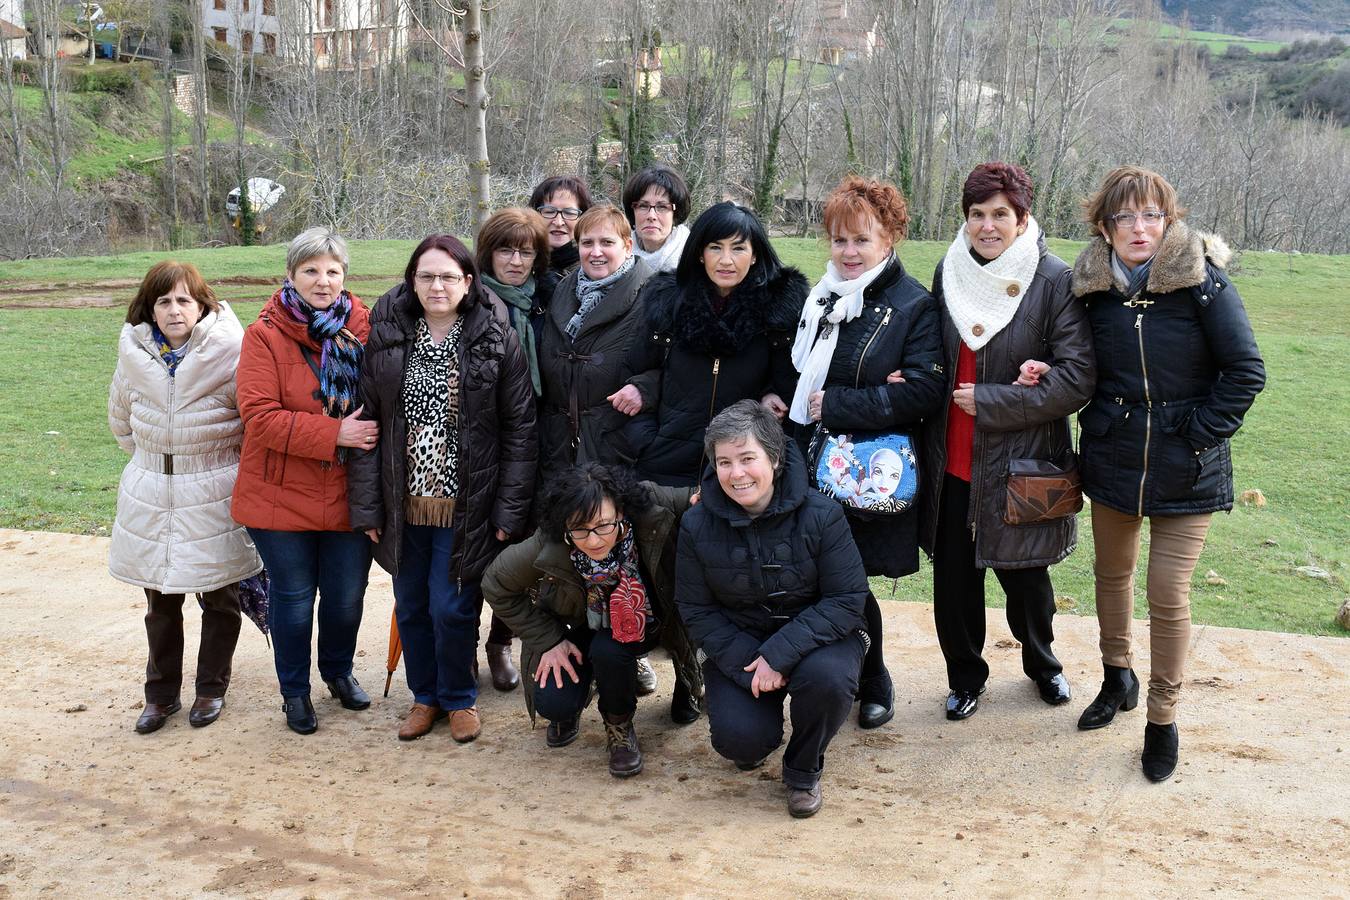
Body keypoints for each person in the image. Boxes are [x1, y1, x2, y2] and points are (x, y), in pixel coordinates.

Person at [1071, 165, 1264, 782]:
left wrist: (1198, 434)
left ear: (1169, 220)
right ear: (1104, 226)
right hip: (1114, 459)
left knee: (1168, 595)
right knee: (1111, 575)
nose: (1138, 227)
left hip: (1188, 469)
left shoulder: (1204, 285)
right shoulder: (1089, 289)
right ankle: (1116, 677)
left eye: (1151, 214)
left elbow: (1245, 371)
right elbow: (1070, 361)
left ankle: (1161, 717)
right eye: (1124, 216)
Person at [918, 162, 1096, 722]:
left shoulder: (1053, 283)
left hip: (1021, 464)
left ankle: (1043, 666)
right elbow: (929, 354)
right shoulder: (947, 275)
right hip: (951, 461)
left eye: (1000, 215)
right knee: (954, 584)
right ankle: (965, 678)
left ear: (1023, 219)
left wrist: (993, 400)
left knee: (1027, 583)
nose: (987, 226)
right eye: (977, 215)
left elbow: (1077, 378)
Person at [347, 234, 537, 743]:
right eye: (427, 276)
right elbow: (369, 424)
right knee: (411, 606)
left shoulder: (496, 337)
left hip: (468, 501)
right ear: (412, 281)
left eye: (449, 276)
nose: (437, 285)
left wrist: (508, 510)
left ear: (468, 282)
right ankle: (424, 696)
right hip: (400, 499)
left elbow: (520, 428)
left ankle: (458, 698)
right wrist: (367, 508)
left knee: (451, 607)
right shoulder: (388, 336)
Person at [788, 175, 944, 729]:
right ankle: (833, 673)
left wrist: (839, 405)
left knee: (847, 579)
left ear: (890, 239)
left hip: (866, 472)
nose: (849, 252)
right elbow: (800, 380)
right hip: (810, 462)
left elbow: (925, 389)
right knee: (819, 577)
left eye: (862, 240)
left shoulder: (912, 306)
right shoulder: (822, 299)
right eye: (839, 240)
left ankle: (873, 675)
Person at [677, 401, 869, 818]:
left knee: (827, 681)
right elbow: (695, 608)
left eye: (748, 459)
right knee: (739, 742)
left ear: (776, 458)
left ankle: (803, 769)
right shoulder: (695, 525)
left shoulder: (823, 515)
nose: (736, 473)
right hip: (741, 645)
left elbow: (847, 599)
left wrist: (779, 655)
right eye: (724, 462)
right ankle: (758, 733)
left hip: (819, 639)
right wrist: (755, 662)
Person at [232, 227, 376, 736]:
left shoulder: (365, 328)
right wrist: (337, 431)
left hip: (345, 494)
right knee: (293, 599)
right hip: (278, 495)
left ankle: (337, 672)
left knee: (345, 596)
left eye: (333, 270)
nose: (323, 280)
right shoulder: (264, 335)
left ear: (345, 276)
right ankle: (294, 692)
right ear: (291, 275)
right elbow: (259, 417)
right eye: (311, 270)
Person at [109, 261, 262, 734]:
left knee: (219, 597)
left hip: (214, 490)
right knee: (160, 603)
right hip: (152, 491)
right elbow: (121, 423)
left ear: (201, 306)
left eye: (183, 300)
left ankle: (211, 689)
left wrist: (204, 465)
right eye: (163, 301)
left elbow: (250, 422)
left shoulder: (231, 352)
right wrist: (158, 465)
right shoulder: (133, 356)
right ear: (149, 309)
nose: (174, 311)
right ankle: (160, 696)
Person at [481, 463, 702, 776]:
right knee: (556, 701)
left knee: (613, 652)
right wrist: (549, 640)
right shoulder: (549, 543)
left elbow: (702, 496)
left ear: (621, 511)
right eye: (580, 529)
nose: (594, 540)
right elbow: (495, 583)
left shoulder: (651, 503)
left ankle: (622, 723)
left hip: (656, 619)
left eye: (603, 525)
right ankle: (615, 722)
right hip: (585, 630)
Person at [627, 201, 808, 487]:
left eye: (738, 248)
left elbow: (792, 388)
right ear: (699, 253)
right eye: (715, 247)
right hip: (663, 468)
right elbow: (637, 373)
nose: (726, 260)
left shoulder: (778, 314)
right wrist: (645, 441)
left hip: (740, 475)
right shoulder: (667, 305)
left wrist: (770, 394)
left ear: (754, 255)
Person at [471, 206, 554, 690]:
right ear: (488, 253)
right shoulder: (473, 301)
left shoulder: (542, 304)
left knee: (520, 550)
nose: (516, 261)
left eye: (526, 251)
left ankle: (501, 641)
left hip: (533, 446)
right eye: (506, 249)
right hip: (482, 448)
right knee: (470, 551)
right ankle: (463, 646)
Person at [537, 204, 656, 478]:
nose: (596, 252)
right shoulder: (561, 291)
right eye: (587, 243)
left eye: (607, 242)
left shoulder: (652, 295)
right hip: (557, 446)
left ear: (627, 246)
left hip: (616, 445)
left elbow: (676, 367)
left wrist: (645, 388)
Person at [529, 175, 592, 300]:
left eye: (569, 213)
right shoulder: (519, 263)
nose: (558, 222)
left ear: (584, 219)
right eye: (549, 211)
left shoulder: (594, 270)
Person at [623, 164, 691, 274]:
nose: (651, 216)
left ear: (676, 214)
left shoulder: (693, 260)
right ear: (632, 212)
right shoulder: (617, 259)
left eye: (662, 207)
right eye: (643, 206)